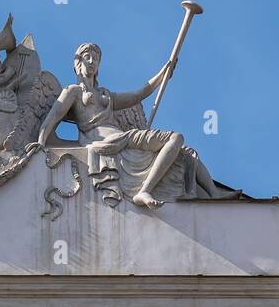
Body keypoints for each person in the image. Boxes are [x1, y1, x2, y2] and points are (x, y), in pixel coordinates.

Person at [31, 42, 216, 208]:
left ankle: (214, 193)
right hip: (106, 141)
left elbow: (138, 95)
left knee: (186, 152)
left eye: (95, 58)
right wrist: (40, 142)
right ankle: (145, 191)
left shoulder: (106, 94)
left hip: (122, 137)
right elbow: (53, 117)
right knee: (175, 138)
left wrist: (163, 75)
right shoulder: (73, 92)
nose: (92, 61)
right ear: (78, 63)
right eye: (87, 57)